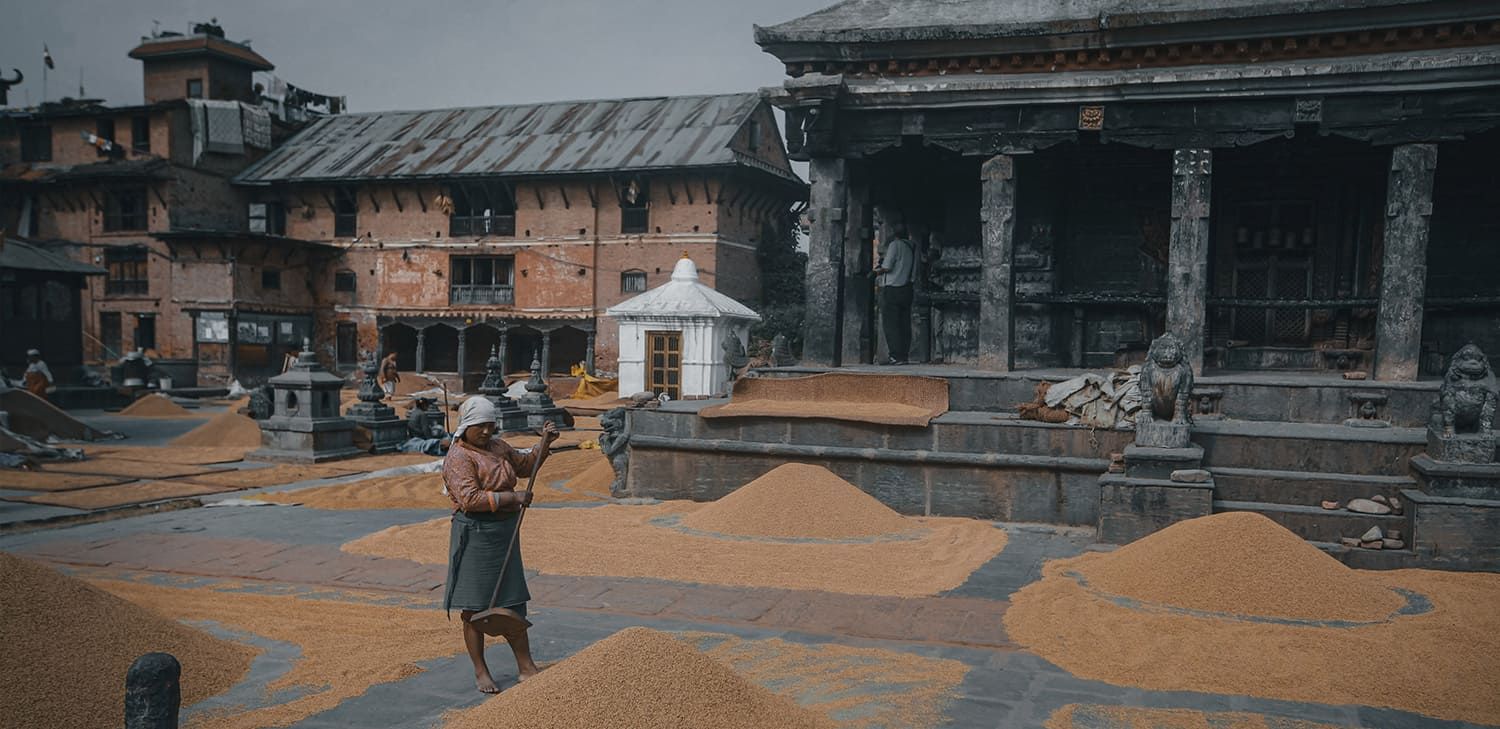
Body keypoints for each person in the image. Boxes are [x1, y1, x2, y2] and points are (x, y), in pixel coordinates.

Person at [442, 396, 558, 693]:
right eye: (479, 425)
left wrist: (542, 446)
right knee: (473, 606)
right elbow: (470, 499)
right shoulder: (458, 456)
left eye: (490, 425)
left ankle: (525, 665)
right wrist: (512, 498)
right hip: (475, 534)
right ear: (466, 426)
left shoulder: (498, 447)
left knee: (513, 600)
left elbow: (523, 466)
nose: (485, 431)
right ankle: (481, 670)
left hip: (504, 532)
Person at [873, 226, 916, 365]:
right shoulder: (913, 247)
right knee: (904, 323)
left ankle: (895, 356)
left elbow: (887, 267)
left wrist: (875, 272)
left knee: (891, 324)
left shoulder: (895, 245)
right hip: (907, 287)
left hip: (893, 288)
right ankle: (904, 355)